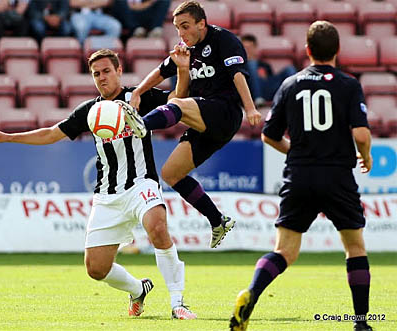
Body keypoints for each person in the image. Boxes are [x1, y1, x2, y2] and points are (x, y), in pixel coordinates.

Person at [0, 49, 196, 320]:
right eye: (96, 74)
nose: (102, 78)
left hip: (142, 184)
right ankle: (137, 289)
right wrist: (9, 138)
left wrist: (181, 69)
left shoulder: (138, 97)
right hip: (107, 195)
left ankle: (178, 302)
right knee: (96, 269)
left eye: (107, 71)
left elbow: (177, 99)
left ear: (119, 71)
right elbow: (51, 134)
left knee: (157, 227)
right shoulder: (90, 110)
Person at [229, 21, 373, 331]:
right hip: (337, 176)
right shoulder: (348, 85)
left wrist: (296, 151)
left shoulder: (290, 84)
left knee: (284, 251)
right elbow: (361, 134)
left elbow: (269, 135)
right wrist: (367, 155)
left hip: (299, 176)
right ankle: (361, 323)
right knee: (355, 248)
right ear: (337, 50)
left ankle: (251, 296)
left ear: (307, 51)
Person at [119, 0, 261, 249]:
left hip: (225, 112)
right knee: (171, 173)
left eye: (185, 27)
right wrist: (138, 92)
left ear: (202, 23)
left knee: (180, 104)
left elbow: (238, 74)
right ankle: (218, 220)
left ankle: (141, 125)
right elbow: (162, 71)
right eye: (177, 28)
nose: (181, 34)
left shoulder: (223, 40)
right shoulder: (185, 49)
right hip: (204, 122)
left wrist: (250, 108)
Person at [241, 34, 297, 107]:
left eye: (250, 48)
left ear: (255, 48)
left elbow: (270, 80)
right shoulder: (239, 66)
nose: (247, 51)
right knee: (252, 63)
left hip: (267, 89)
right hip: (250, 91)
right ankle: (258, 98)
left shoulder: (264, 65)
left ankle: (296, 97)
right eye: (245, 48)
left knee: (289, 69)